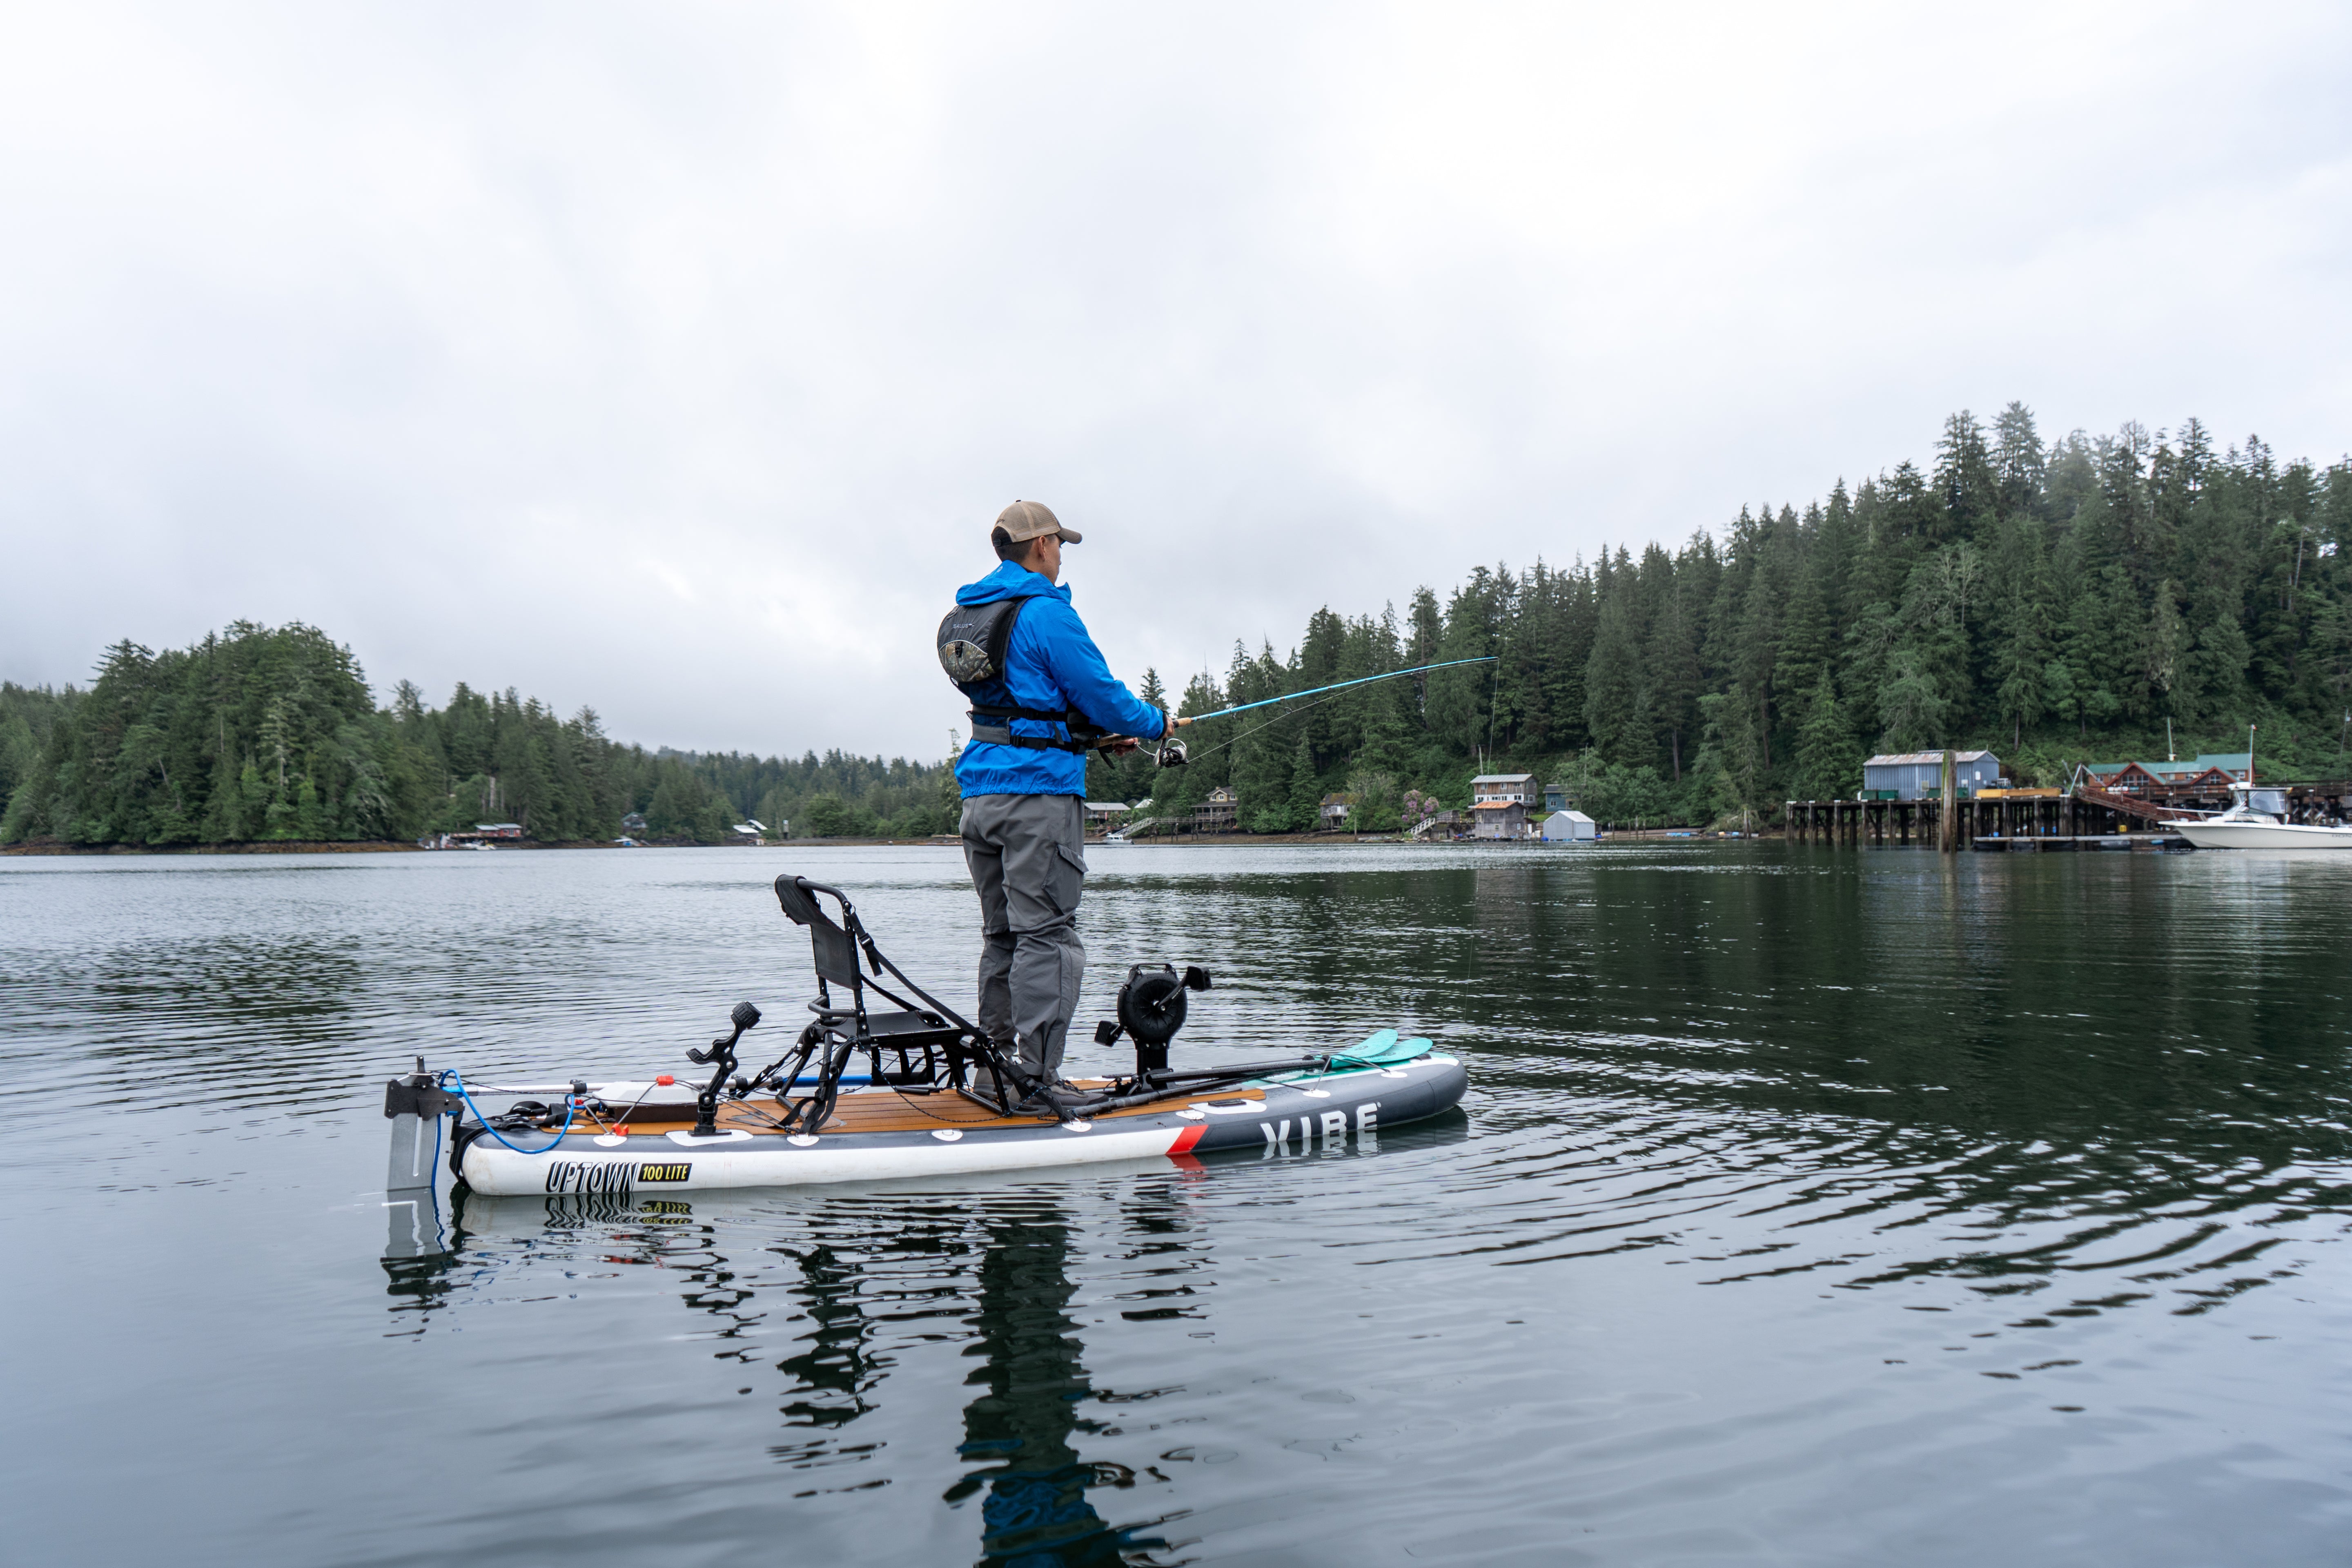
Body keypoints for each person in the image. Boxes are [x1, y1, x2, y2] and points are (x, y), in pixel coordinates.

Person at [939, 500, 1167, 1106]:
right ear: (1040, 546)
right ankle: (1035, 1080)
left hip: (980, 797)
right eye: (1060, 545)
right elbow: (1107, 698)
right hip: (1037, 799)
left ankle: (995, 1073)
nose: (1062, 556)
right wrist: (1155, 724)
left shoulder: (969, 614)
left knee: (1004, 938)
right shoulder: (1046, 614)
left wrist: (1081, 735)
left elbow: (1020, 704)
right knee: (1050, 938)